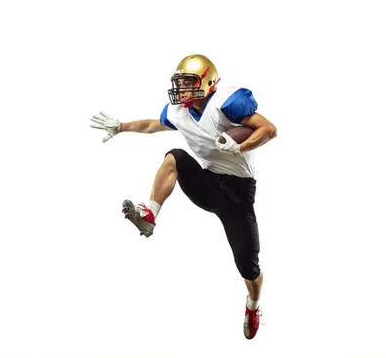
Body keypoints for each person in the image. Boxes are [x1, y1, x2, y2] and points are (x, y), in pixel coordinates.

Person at [89, 54, 277, 339]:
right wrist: (121, 126)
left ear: (208, 82)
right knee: (174, 157)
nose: (183, 89)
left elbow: (269, 129)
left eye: (189, 82)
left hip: (239, 194)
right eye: (181, 83)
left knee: (249, 268)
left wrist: (240, 148)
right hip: (209, 184)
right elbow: (154, 125)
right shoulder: (179, 111)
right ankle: (150, 215)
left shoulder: (228, 103)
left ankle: (253, 304)